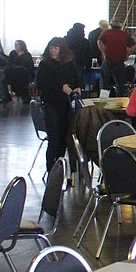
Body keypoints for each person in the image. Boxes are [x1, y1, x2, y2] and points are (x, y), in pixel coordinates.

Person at [35, 36, 82, 173]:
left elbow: (76, 78)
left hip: (66, 106)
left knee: (64, 139)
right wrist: (60, 88)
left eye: (56, 48)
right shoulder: (45, 65)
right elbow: (41, 84)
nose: (53, 51)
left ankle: (61, 167)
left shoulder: (69, 63)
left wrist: (78, 87)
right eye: (51, 48)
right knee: (54, 139)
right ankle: (51, 169)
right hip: (51, 105)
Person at [97, 21, 136, 96]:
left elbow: (99, 42)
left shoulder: (106, 32)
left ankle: (103, 100)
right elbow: (134, 46)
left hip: (108, 60)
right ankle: (119, 101)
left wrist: (104, 52)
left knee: (104, 83)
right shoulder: (124, 34)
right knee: (120, 84)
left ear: (111, 25)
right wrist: (127, 55)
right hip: (120, 62)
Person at [65, 22, 97, 92]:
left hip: (66, 64)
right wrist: (88, 66)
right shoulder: (85, 41)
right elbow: (89, 54)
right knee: (78, 82)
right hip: (79, 64)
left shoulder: (65, 39)